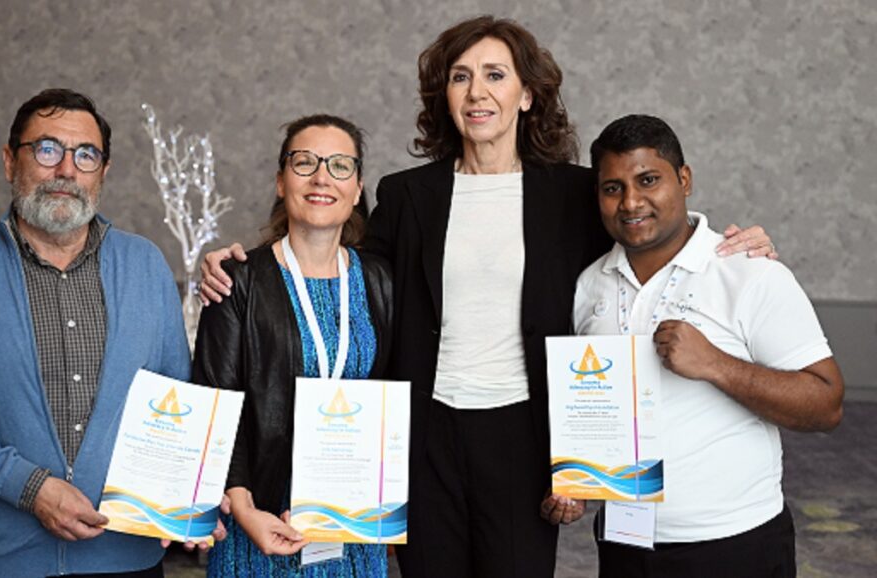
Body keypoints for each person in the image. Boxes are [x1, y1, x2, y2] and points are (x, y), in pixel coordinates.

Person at [199, 17, 774, 577]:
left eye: (496, 75)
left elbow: (647, 230)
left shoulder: (571, 194)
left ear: (527, 95)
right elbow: (335, 261)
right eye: (460, 76)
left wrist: (726, 237)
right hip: (425, 438)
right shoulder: (406, 195)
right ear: (444, 96)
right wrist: (236, 264)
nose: (478, 92)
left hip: (524, 437)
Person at [0, 88, 220, 578]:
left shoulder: (145, 264)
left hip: (127, 557)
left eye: (86, 155)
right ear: (11, 162)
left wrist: (185, 501)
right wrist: (30, 488)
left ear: (103, 172)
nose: (67, 170)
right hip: (2, 560)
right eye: (47, 150)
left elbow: (176, 402)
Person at [569, 114, 843, 577]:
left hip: (733, 544)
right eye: (612, 188)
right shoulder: (587, 284)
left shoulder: (749, 272)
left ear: (685, 179)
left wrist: (716, 364)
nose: (631, 201)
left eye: (648, 180)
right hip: (623, 540)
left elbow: (827, 404)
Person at [193, 114, 393, 577]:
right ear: (281, 182)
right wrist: (243, 508)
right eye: (304, 163)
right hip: (258, 523)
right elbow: (216, 404)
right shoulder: (237, 279)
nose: (322, 177)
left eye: (340, 165)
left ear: (359, 187)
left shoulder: (381, 281)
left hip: (352, 529)